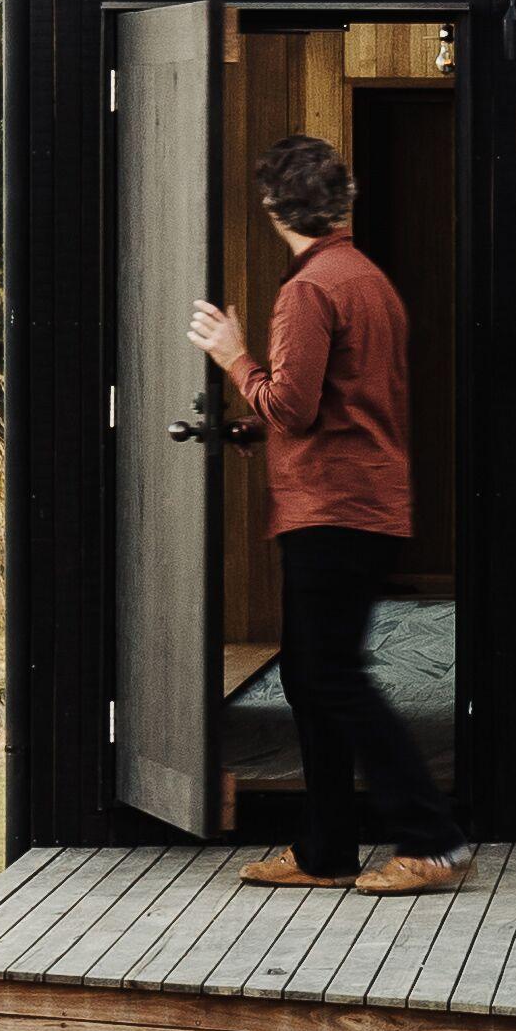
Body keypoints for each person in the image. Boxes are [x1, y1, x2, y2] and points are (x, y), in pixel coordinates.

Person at [193, 135, 459, 892]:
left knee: (333, 676)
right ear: (345, 199)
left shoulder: (308, 290)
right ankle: (326, 850)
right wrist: (253, 425)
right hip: (364, 504)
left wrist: (234, 357)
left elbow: (294, 404)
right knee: (315, 678)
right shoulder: (368, 278)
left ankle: (432, 841)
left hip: (330, 510)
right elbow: (342, 402)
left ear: (276, 210)